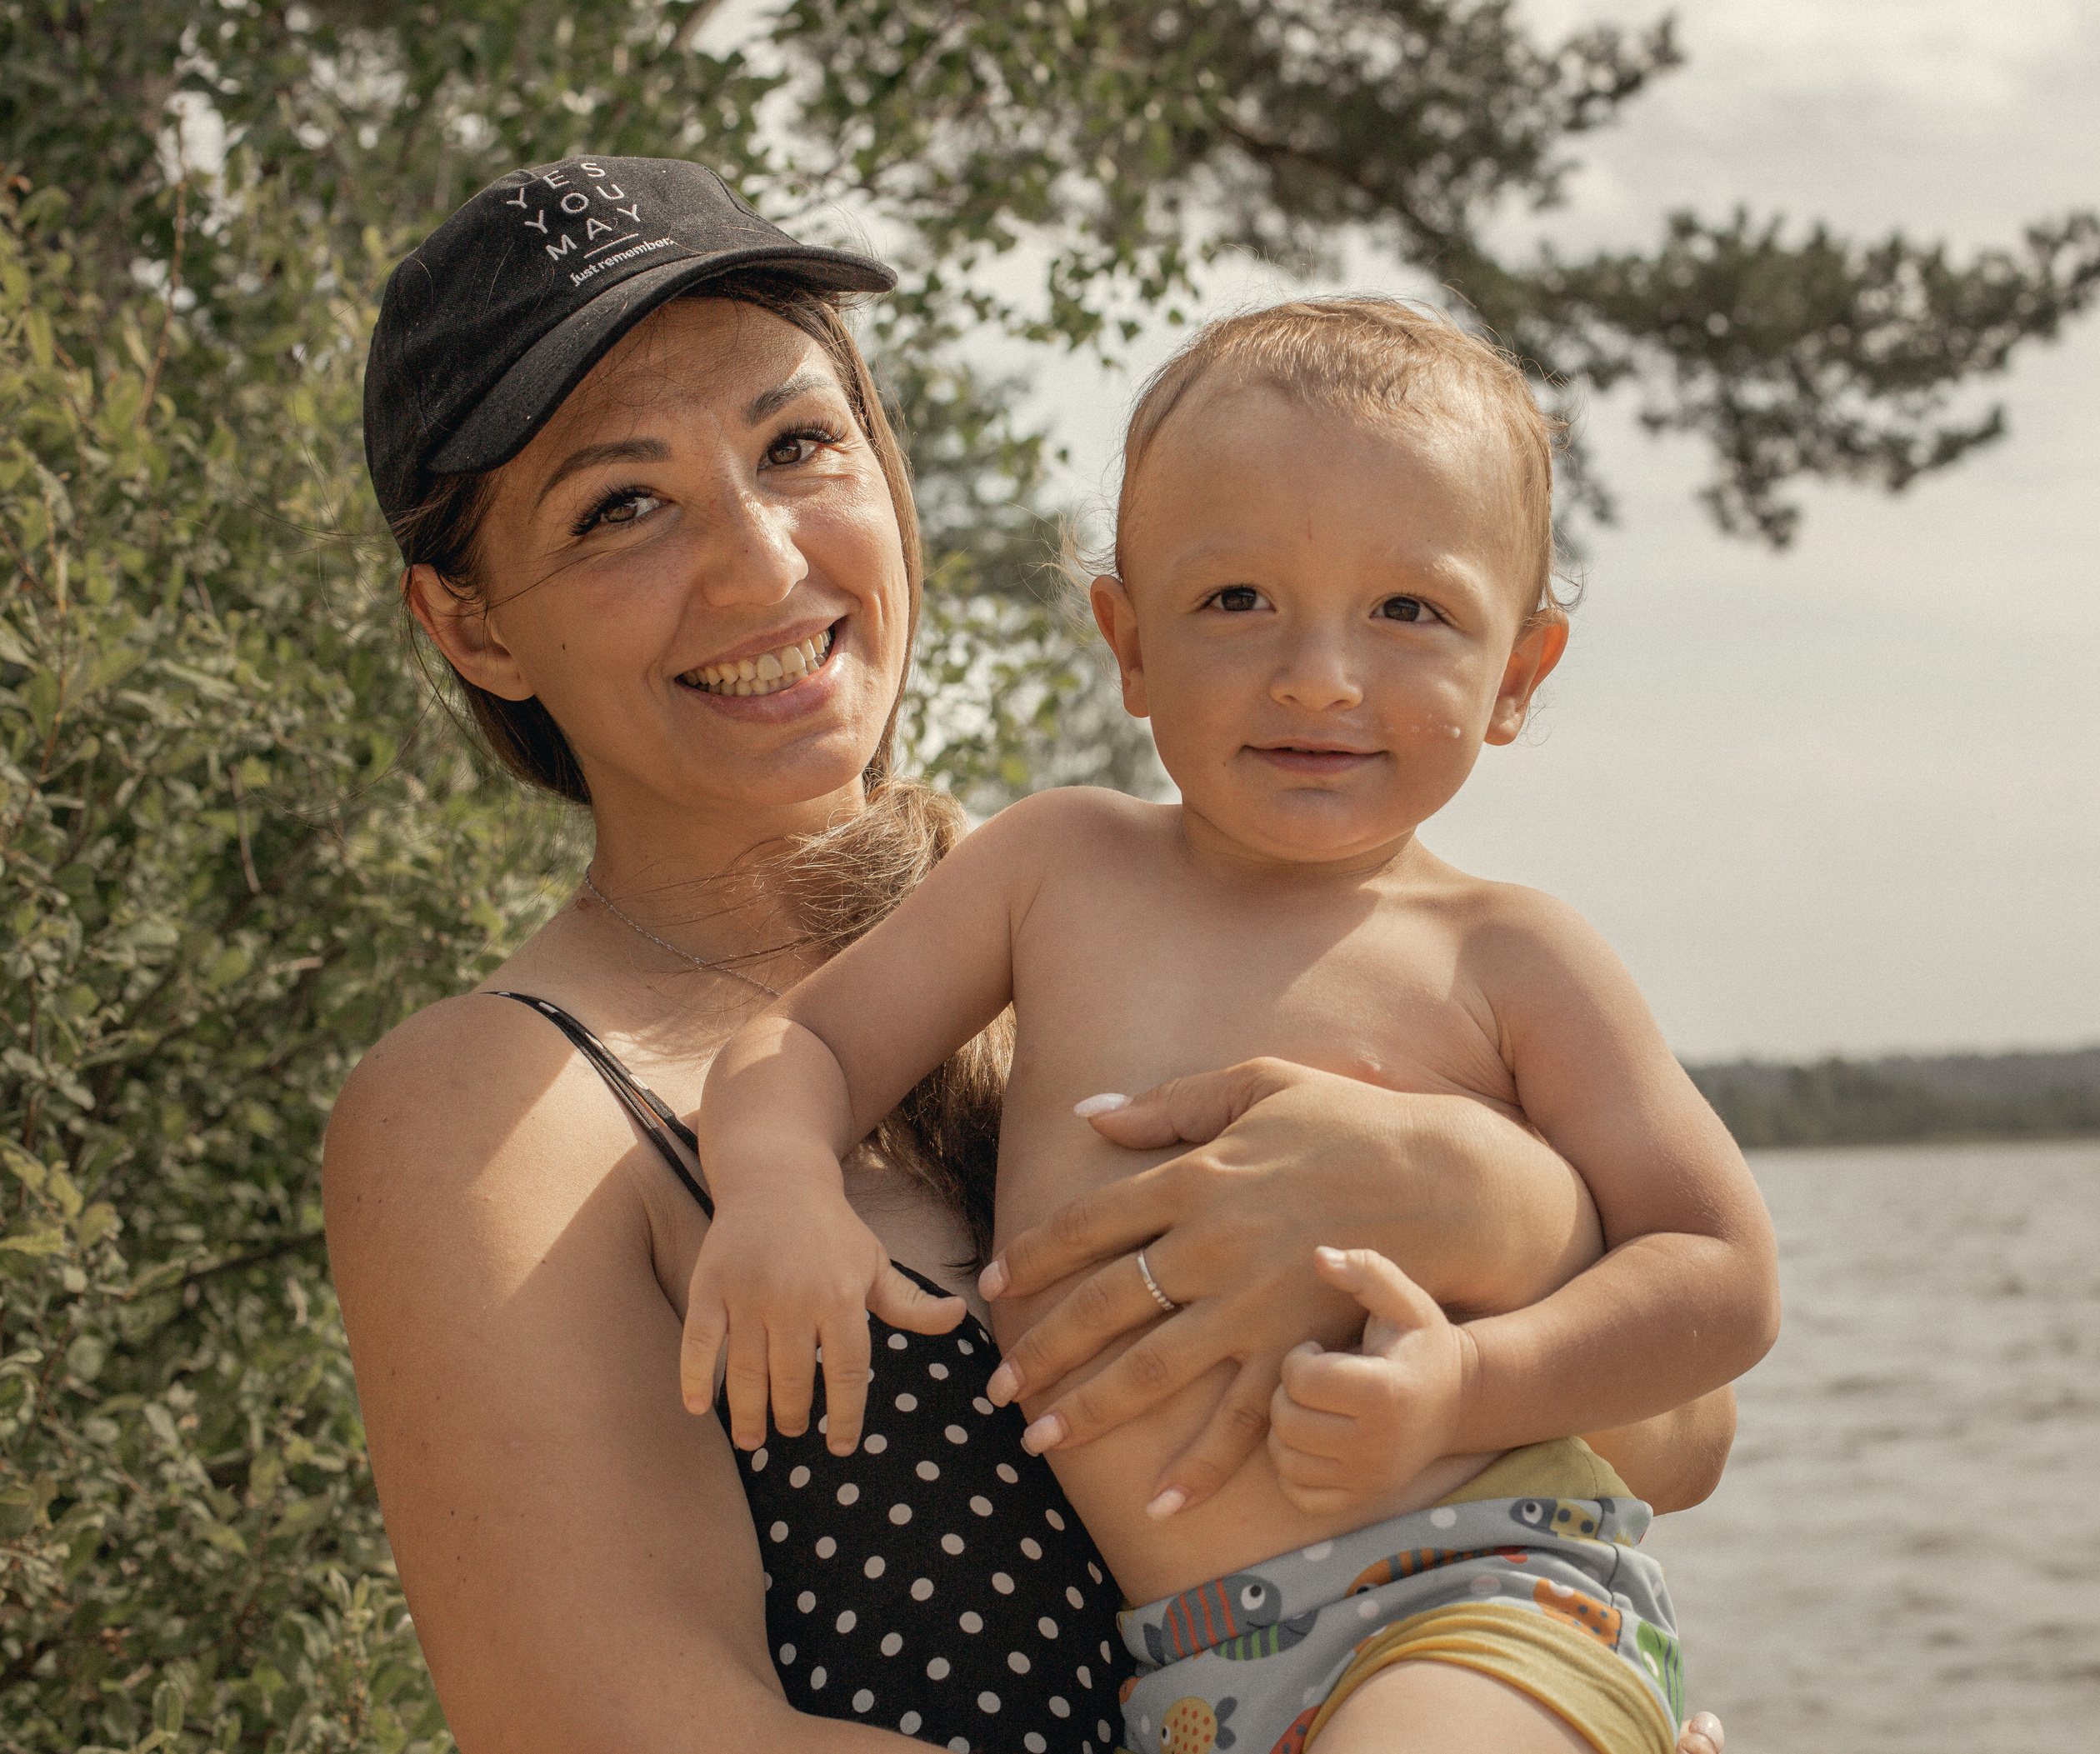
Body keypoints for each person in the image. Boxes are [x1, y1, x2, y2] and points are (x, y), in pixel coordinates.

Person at [324, 157, 1732, 1754]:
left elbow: (1680, 1437)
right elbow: (625, 1727)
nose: (762, 560)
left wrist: (1478, 1198)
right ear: (474, 624)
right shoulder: (500, 1103)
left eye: (798, 444)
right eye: (620, 506)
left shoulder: (1115, 915)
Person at [682, 298, 1779, 1754]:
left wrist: (1469, 1376)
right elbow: (802, 1049)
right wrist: (774, 1187)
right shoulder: (1055, 868)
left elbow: (1719, 1276)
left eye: (1409, 611)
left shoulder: (1510, 955)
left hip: (1483, 1595)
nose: (1318, 673)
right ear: (1127, 642)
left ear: (1516, 673)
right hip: (1192, 1681)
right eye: (1237, 601)